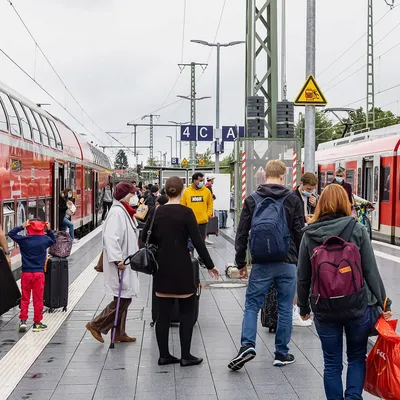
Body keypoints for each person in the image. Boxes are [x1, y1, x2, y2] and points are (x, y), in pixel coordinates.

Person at [297, 184, 392, 400]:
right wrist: (385, 303)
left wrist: (303, 308)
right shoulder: (357, 229)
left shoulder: (309, 234)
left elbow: (303, 277)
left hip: (324, 306)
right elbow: (371, 271)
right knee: (357, 357)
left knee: (331, 362)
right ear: (345, 203)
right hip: (358, 305)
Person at [229, 160, 304, 371]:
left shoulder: (252, 199)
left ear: (264, 176)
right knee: (285, 307)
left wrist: (240, 263)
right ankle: (281, 353)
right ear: (283, 176)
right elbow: (299, 232)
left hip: (261, 262)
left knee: (252, 305)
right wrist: (300, 261)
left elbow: (242, 233)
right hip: (287, 262)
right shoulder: (292, 198)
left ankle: (247, 345)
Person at [142, 176, 219, 367]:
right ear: (182, 190)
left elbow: (144, 237)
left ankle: (164, 355)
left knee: (163, 314)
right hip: (183, 267)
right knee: (186, 311)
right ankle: (186, 355)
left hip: (162, 267)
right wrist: (210, 265)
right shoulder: (187, 213)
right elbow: (198, 243)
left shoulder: (156, 212)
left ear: (165, 191)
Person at [86, 182, 139, 344]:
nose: (134, 197)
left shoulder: (124, 211)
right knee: (124, 297)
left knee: (123, 295)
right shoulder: (117, 213)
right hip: (120, 262)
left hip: (125, 260)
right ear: (125, 195)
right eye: (132, 194)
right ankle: (96, 324)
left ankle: (118, 333)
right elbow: (110, 238)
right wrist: (118, 259)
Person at [8, 220, 56, 332]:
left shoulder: (24, 240)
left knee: (25, 298)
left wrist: (21, 226)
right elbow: (54, 240)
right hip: (38, 274)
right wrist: (48, 229)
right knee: (38, 299)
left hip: (26, 273)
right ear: (41, 228)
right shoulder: (45, 240)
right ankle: (37, 323)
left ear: (29, 228)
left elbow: (11, 234)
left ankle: (23, 321)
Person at [181, 173, 213, 264]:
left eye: (202, 180)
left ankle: (201, 258)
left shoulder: (206, 191)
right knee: (189, 243)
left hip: (202, 222)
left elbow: (210, 204)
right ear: (194, 181)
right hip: (189, 222)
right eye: (200, 180)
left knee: (201, 242)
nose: (201, 182)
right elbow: (183, 205)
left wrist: (208, 214)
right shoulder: (187, 192)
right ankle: (191, 259)